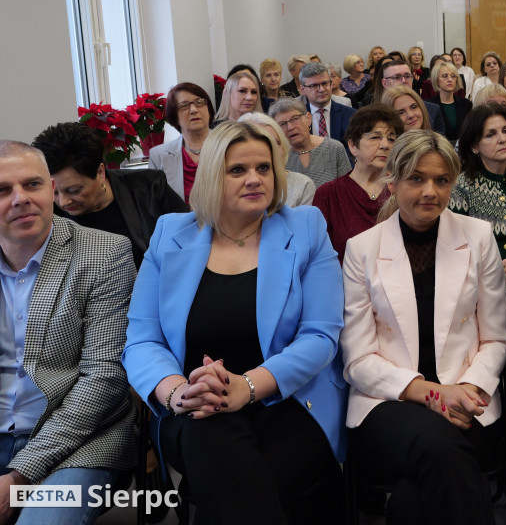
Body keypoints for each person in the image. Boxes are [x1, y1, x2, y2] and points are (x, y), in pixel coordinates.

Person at [122, 121, 347, 524]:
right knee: (214, 435)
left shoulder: (306, 227)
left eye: (264, 168)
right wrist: (179, 393)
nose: (255, 179)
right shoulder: (171, 233)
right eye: (237, 170)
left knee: (229, 482)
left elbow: (320, 335)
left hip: (288, 400)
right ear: (211, 175)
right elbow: (142, 339)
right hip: (193, 407)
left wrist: (244, 387)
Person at [341, 130, 506, 525]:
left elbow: (497, 338)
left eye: (441, 180)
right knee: (439, 451)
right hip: (389, 404)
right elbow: (359, 359)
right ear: (393, 180)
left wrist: (464, 392)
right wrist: (436, 395)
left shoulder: (478, 236)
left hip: (471, 401)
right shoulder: (362, 249)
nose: (430, 191)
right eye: (416, 179)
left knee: (413, 497)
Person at [0, 141, 137, 525]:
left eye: (32, 185)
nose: (20, 199)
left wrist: (18, 477)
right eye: (3, 190)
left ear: (51, 189)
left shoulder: (105, 253)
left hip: (80, 441)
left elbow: (105, 378)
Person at [33, 122, 186, 269]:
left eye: (74, 190)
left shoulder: (149, 188)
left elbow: (191, 239)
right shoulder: (48, 214)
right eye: (53, 192)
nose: (63, 202)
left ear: (100, 172)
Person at [450, 105, 506, 286]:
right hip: (479, 283)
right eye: (491, 135)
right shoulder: (460, 187)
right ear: (474, 146)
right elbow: (456, 249)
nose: (502, 139)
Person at [313, 106, 402, 260]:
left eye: (391, 138)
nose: (385, 145)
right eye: (375, 137)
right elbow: (319, 257)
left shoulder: (401, 190)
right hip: (343, 281)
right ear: (353, 146)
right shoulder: (328, 194)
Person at [148, 81, 216, 206]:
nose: (194, 110)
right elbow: (155, 205)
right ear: (174, 116)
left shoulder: (229, 145)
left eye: (199, 102)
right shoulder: (158, 155)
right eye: (184, 105)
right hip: (180, 223)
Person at [268, 97, 351, 189]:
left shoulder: (334, 148)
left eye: (295, 119)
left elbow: (347, 190)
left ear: (308, 118)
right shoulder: (278, 157)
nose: (290, 127)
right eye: (282, 124)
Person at [239, 110, 316, 206]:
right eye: (265, 145)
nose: (274, 150)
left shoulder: (303, 185)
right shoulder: (235, 186)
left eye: (277, 143)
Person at [373, 60, 446, 132]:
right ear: (385, 83)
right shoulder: (375, 114)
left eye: (407, 76)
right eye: (397, 77)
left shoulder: (432, 109)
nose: (404, 80)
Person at [299, 61, 356, 143]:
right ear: (303, 90)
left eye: (325, 83)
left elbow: (356, 149)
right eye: (314, 86)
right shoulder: (298, 118)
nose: (322, 89)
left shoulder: (351, 115)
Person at [425, 59, 472, 142]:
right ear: (437, 80)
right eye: (445, 76)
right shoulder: (428, 105)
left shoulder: (466, 104)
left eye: (453, 76)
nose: (450, 79)